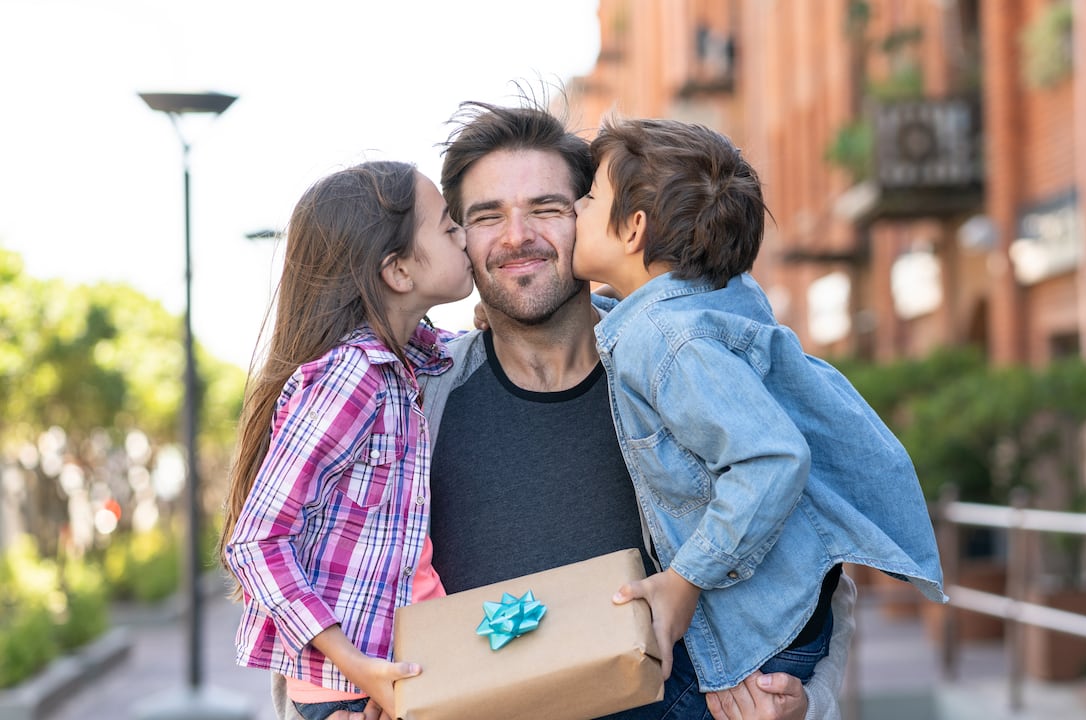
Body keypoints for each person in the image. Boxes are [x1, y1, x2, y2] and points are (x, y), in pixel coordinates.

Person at [280, 100, 851, 720]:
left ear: (599, 221)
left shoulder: (686, 374)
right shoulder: (410, 401)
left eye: (548, 208)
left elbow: (813, 568)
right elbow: (318, 577)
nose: (517, 236)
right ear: (458, 240)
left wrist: (803, 703)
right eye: (486, 216)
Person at [571, 116, 947, 693]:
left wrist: (684, 580)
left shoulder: (666, 340)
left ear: (634, 230)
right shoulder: (712, 301)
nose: (575, 207)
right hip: (793, 606)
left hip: (764, 634)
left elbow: (772, 459)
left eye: (591, 197)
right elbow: (653, 333)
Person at [222, 160, 474, 720]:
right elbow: (256, 542)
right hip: (353, 685)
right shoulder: (352, 375)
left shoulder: (409, 359)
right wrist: (359, 669)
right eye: (448, 226)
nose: (464, 236)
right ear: (398, 271)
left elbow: (468, 346)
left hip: (396, 666)